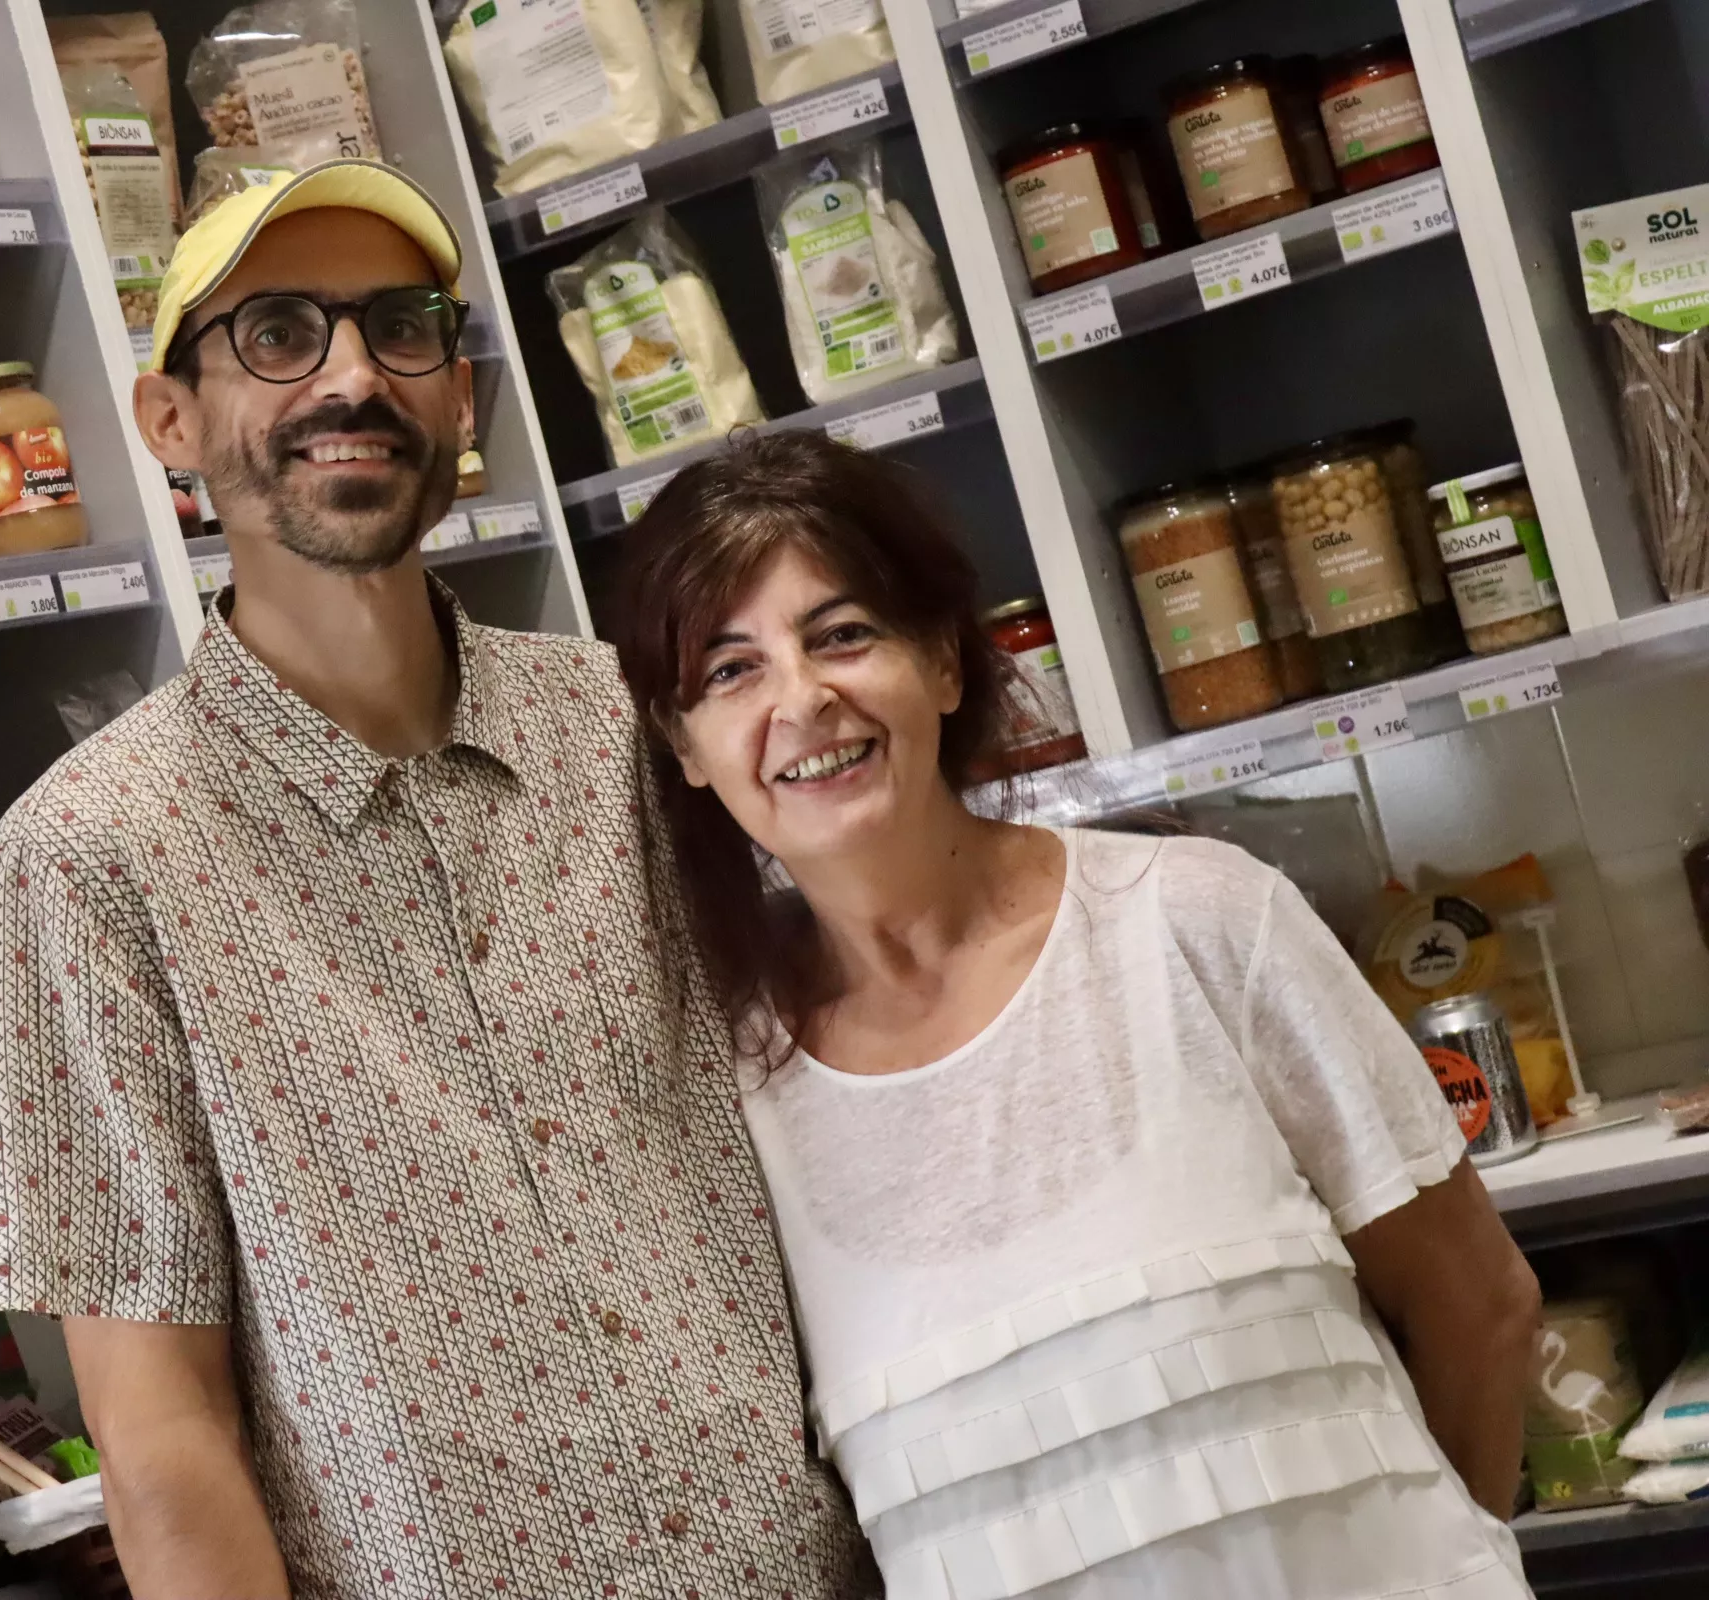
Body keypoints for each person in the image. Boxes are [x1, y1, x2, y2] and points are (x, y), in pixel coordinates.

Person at [0, 163, 864, 1598]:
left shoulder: (633, 729)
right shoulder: (88, 859)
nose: (350, 377)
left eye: (401, 328)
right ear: (171, 420)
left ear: (465, 402)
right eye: (276, 334)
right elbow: (160, 1431)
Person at [609, 430, 1541, 1600]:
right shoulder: (730, 1096)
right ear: (683, 746)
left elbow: (1482, 1304)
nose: (802, 698)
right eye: (729, 670)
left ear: (944, 663)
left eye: (843, 633)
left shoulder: (1201, 920)